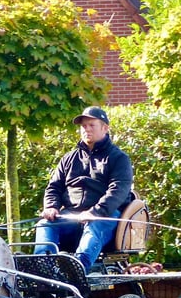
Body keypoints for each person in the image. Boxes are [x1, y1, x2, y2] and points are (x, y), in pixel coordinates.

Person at [34, 106, 133, 273]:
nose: (86, 129)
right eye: (83, 126)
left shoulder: (119, 158)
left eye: (91, 125)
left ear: (105, 128)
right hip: (71, 215)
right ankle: (44, 269)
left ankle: (77, 270)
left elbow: (118, 191)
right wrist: (51, 206)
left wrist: (95, 212)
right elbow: (54, 187)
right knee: (44, 224)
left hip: (105, 216)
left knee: (93, 226)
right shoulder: (68, 159)